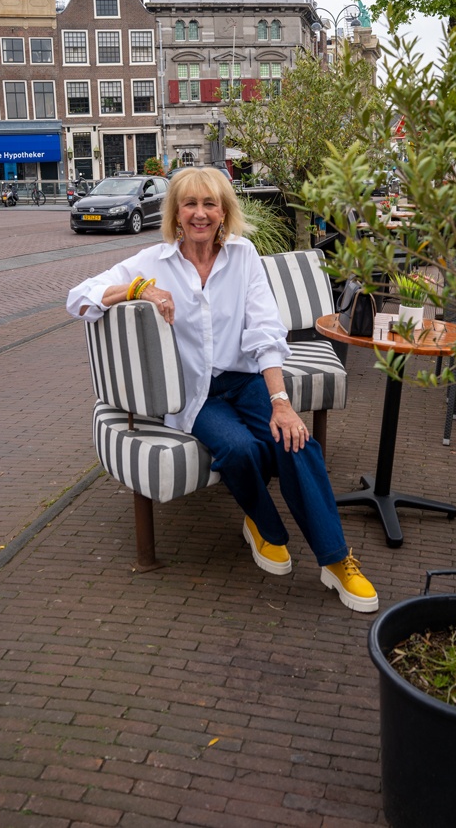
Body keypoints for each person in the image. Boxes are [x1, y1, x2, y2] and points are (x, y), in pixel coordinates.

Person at [67, 167, 378, 612]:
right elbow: (77, 298)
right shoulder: (153, 262)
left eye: (210, 203)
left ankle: (335, 559)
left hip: (246, 380)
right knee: (239, 448)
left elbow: (265, 331)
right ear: (175, 213)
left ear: (224, 211)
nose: (200, 214)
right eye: (190, 204)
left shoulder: (243, 255)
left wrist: (282, 404)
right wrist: (139, 289)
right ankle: (263, 525)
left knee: (295, 440)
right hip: (195, 391)